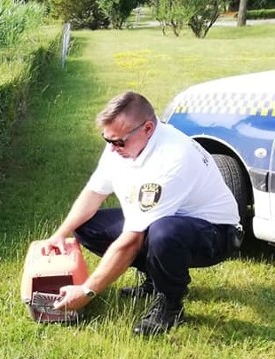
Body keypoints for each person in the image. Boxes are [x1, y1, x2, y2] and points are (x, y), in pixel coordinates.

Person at [41, 91, 241, 336]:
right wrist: (60, 234)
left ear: (147, 128)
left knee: (163, 233)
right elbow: (93, 192)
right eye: (107, 140)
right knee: (87, 226)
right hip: (169, 218)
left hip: (216, 233)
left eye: (118, 142)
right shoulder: (121, 142)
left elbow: (131, 241)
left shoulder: (171, 159)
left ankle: (170, 305)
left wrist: (87, 292)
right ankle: (155, 279)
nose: (112, 149)